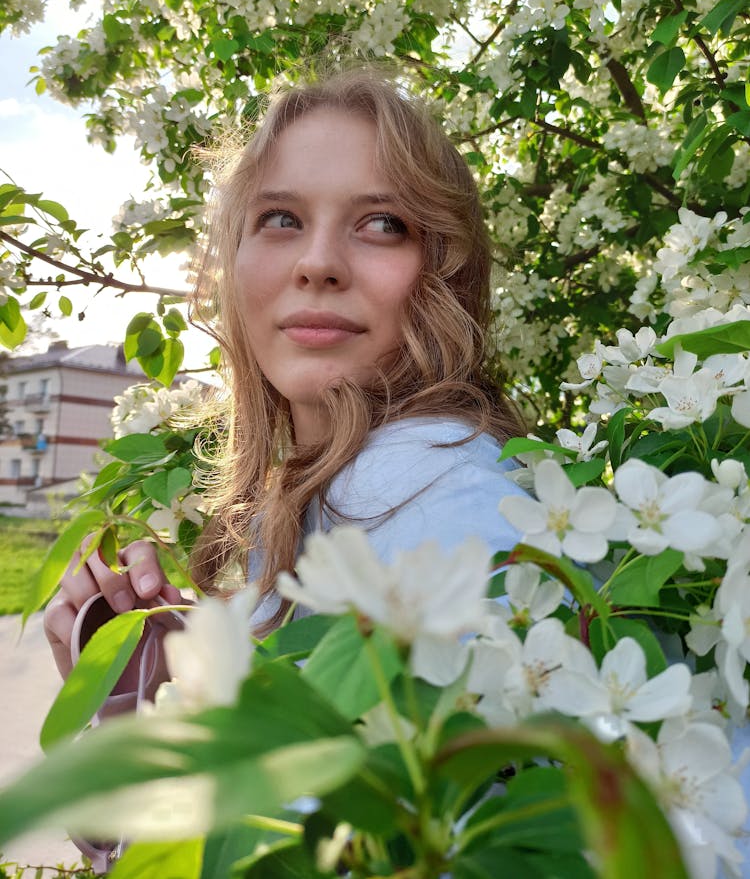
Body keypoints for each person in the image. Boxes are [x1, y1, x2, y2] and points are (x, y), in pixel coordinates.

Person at [43, 66, 529, 677]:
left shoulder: (447, 507)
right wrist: (175, 690)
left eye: (383, 224)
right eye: (281, 218)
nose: (318, 263)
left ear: (446, 271)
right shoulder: (318, 497)